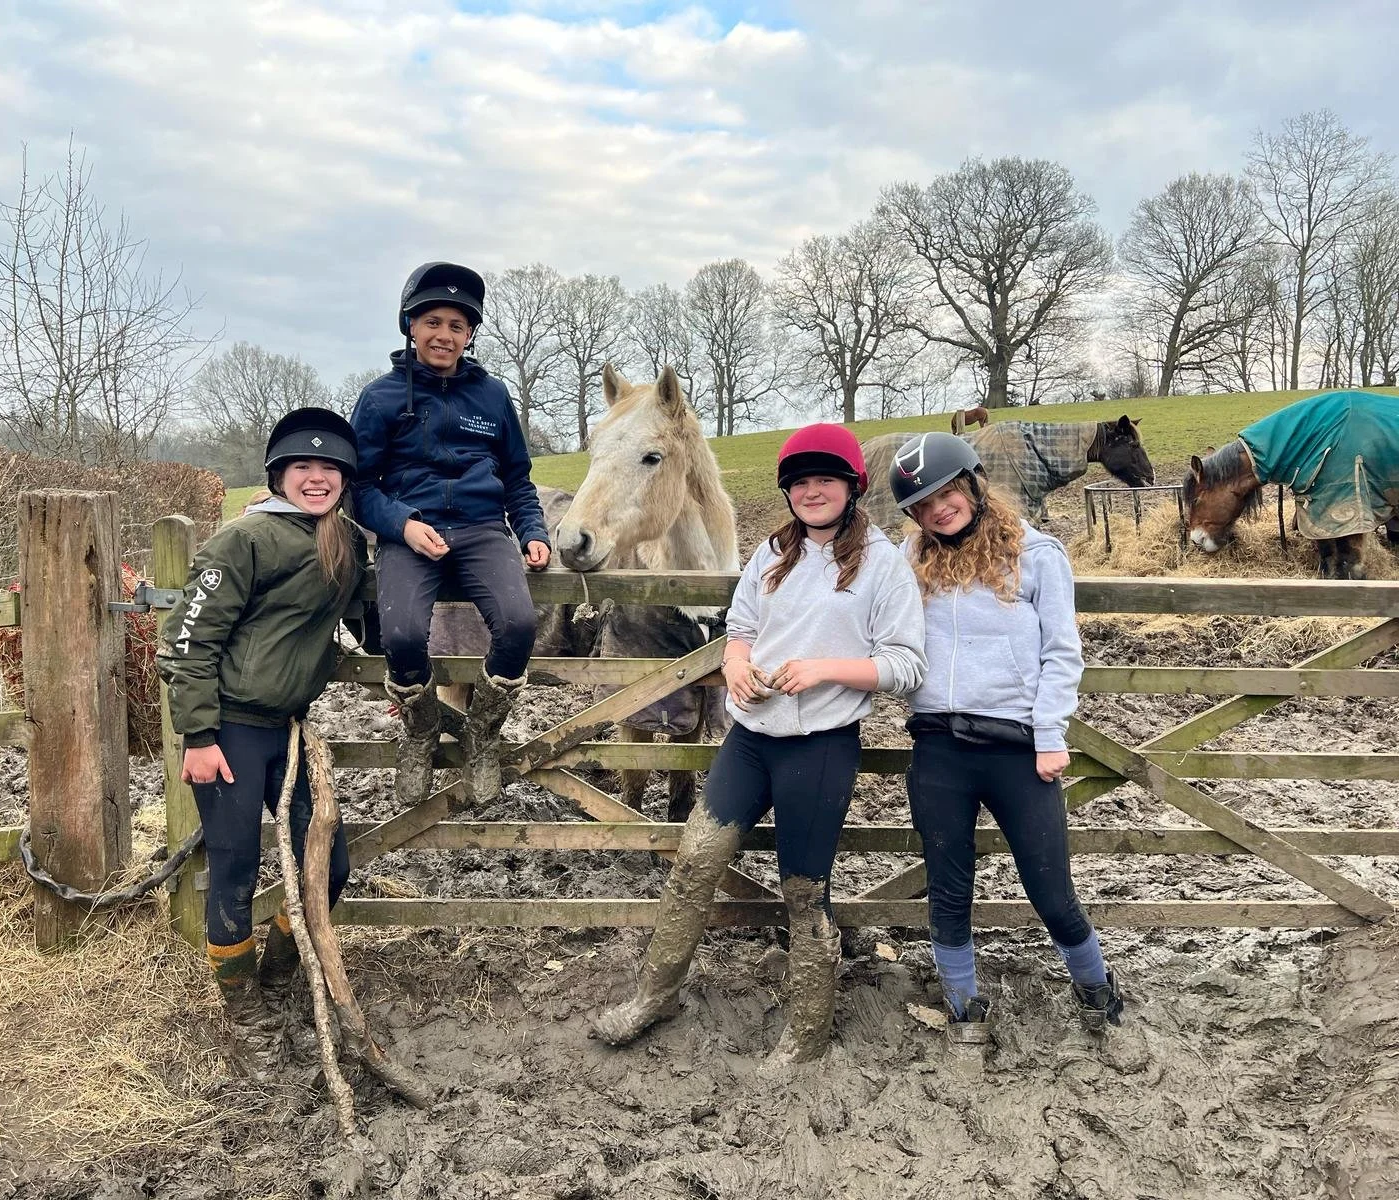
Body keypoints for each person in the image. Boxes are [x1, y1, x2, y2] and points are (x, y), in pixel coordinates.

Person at [592, 424, 926, 1069]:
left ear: (852, 487)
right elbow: (740, 625)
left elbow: (907, 664)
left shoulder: (882, 564)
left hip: (820, 746)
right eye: (800, 482)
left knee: (803, 889)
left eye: (825, 479)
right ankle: (655, 995)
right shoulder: (773, 552)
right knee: (695, 860)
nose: (812, 491)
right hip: (751, 738)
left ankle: (807, 1032)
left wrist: (826, 669)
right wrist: (737, 663)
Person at [889, 431, 1124, 1035]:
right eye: (921, 505)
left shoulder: (1036, 553)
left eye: (946, 493)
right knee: (948, 891)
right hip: (938, 746)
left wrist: (1049, 733)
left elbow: (1062, 653)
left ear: (973, 483)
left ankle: (1096, 989)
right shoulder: (907, 559)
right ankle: (963, 1007)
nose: (937, 510)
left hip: (1017, 749)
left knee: (1050, 889)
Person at [156, 407, 367, 1078]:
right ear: (278, 475)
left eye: (329, 467)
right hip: (231, 731)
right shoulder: (242, 540)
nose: (316, 477)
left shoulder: (346, 542)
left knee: (330, 865)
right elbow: (188, 640)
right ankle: (243, 1008)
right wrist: (198, 735)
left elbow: (367, 616)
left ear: (346, 478)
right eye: (303, 466)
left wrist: (404, 671)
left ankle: (278, 976)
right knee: (236, 868)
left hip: (291, 730)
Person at [350, 261, 550, 806]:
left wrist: (532, 530)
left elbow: (517, 478)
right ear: (410, 326)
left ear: (470, 334)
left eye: (457, 326)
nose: (444, 335)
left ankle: (482, 735)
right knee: (401, 636)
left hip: (482, 529)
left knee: (519, 624)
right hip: (411, 533)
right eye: (433, 322)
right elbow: (359, 486)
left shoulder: (493, 396)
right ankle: (420, 731)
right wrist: (403, 525)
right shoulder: (379, 398)